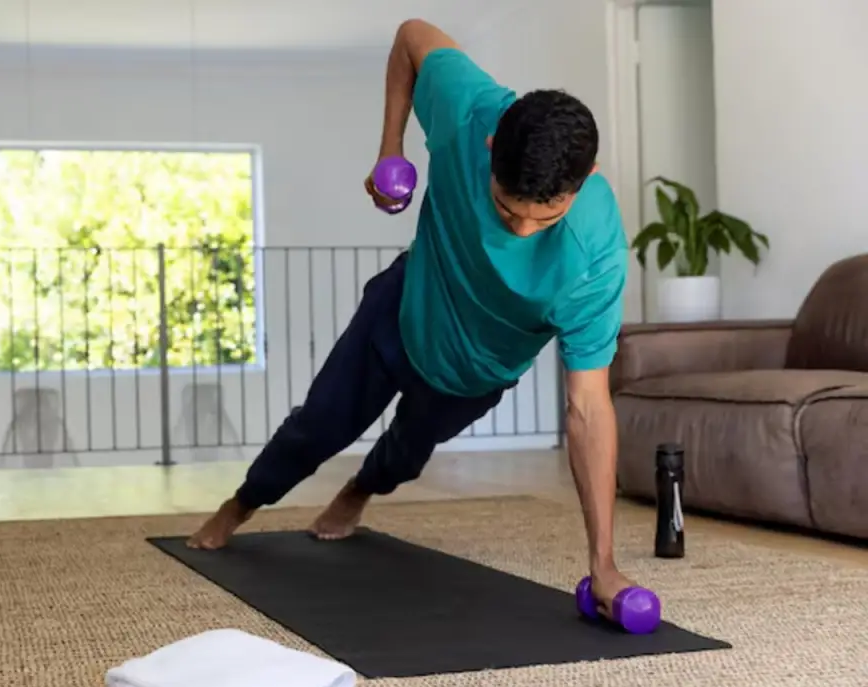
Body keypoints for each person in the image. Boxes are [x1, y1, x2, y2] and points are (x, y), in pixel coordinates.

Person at [187, 18, 639, 620]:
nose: (523, 230)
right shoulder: (470, 113)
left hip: (478, 368)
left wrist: (603, 561)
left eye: (544, 219)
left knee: (406, 454)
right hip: (405, 309)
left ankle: (359, 492)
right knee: (319, 426)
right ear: (489, 149)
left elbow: (589, 406)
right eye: (507, 211)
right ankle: (241, 504)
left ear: (580, 186)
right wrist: (390, 149)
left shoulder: (595, 255)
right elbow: (410, 37)